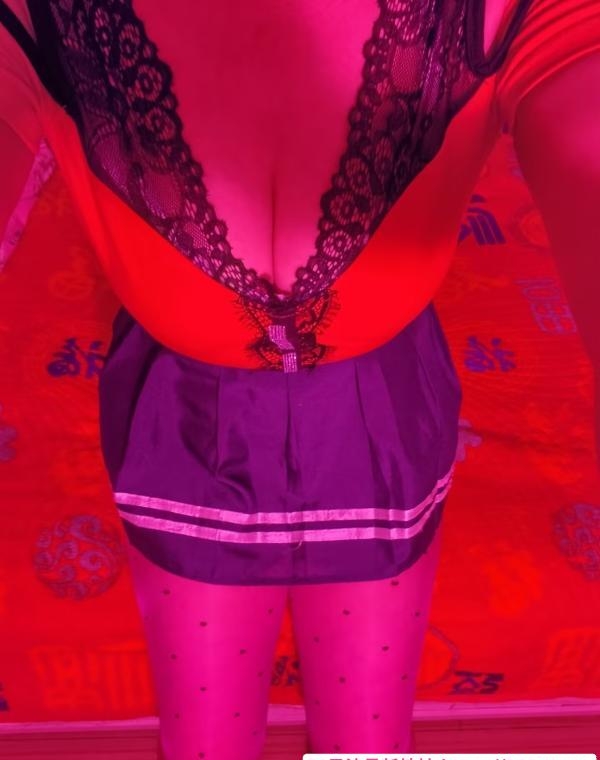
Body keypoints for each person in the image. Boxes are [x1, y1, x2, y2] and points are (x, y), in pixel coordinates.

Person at [1, 0, 599, 758]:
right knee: (208, 744)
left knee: (368, 743)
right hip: (185, 416)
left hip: (377, 410)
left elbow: (580, 107)